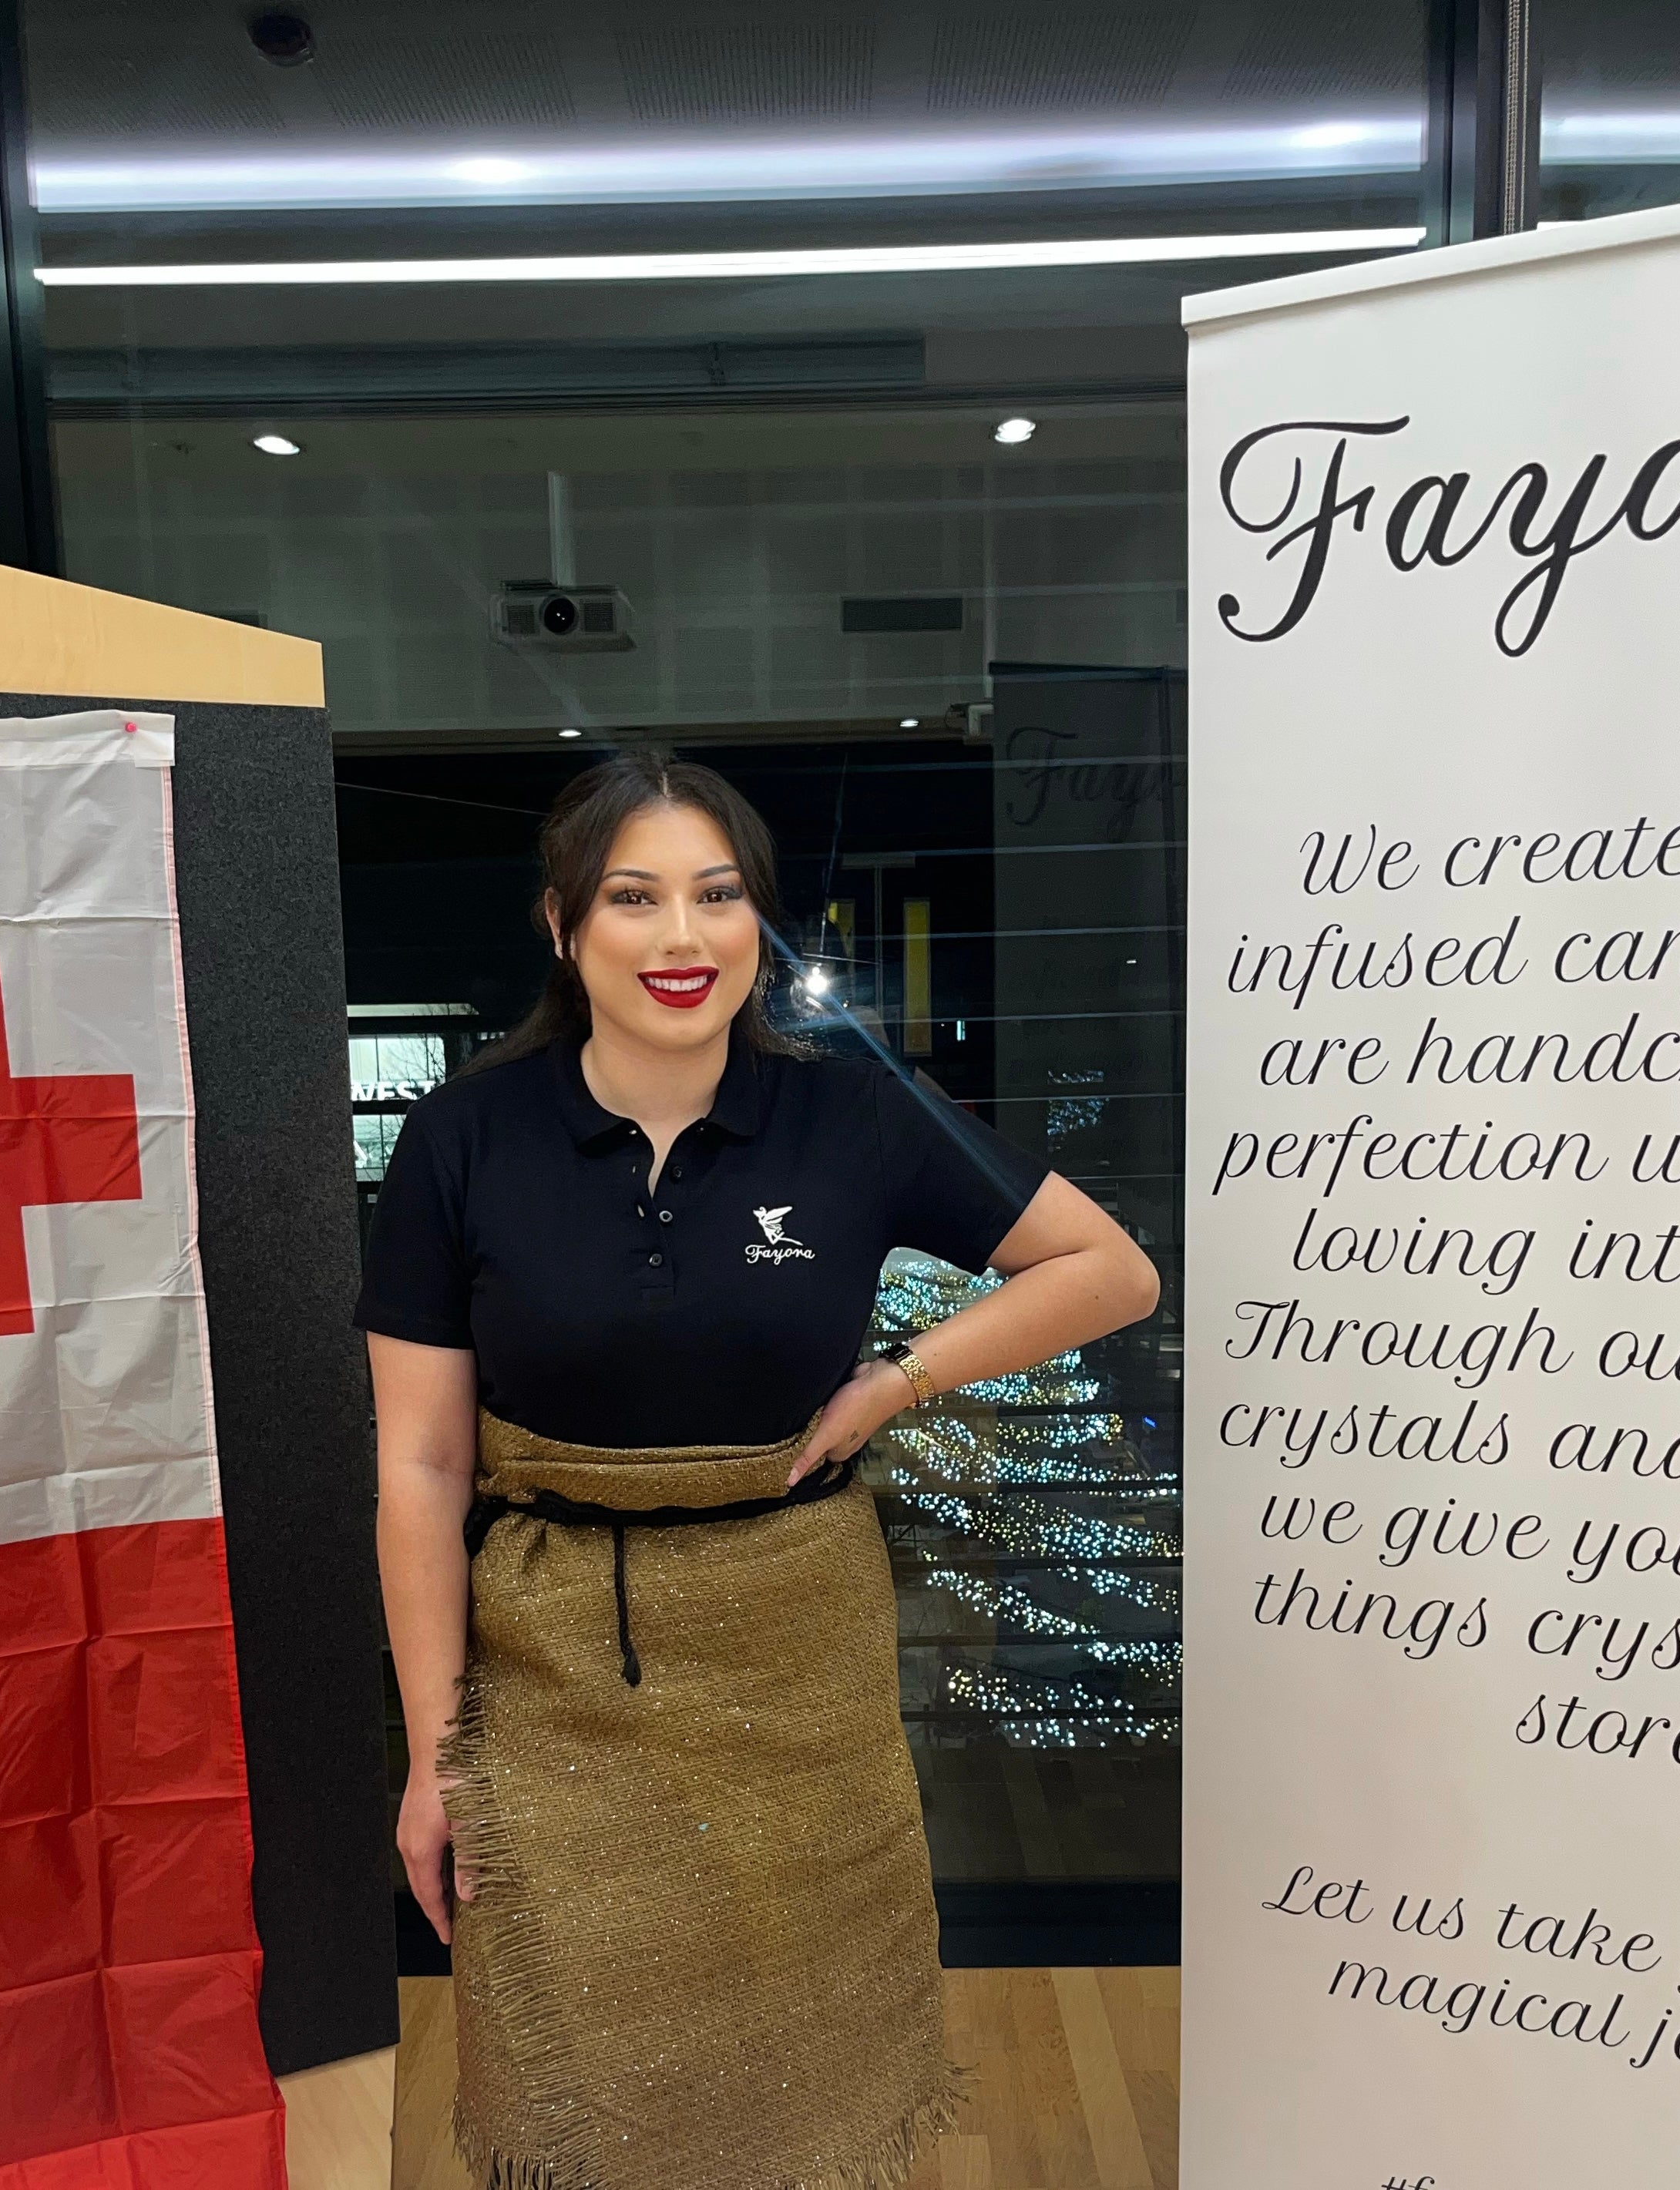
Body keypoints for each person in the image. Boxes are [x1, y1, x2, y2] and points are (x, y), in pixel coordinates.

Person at [361, 751, 1160, 2190]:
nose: (683, 937)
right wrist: (435, 1757)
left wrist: (898, 1379)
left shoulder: (846, 1114)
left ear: (757, 922)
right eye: (634, 897)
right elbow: (419, 1465)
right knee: (571, 2075)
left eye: (718, 895)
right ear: (561, 927)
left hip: (797, 1660)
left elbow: (1108, 1269)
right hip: (547, 1672)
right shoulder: (461, 1137)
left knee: (811, 2063)